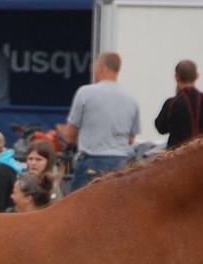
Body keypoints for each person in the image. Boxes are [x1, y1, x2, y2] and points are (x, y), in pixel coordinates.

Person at [56, 51, 140, 191]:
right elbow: (130, 140)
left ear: (101, 68)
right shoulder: (131, 99)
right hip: (121, 164)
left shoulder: (85, 92)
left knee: (80, 209)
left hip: (92, 162)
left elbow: (70, 135)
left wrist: (67, 134)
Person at [153, 59, 203, 149]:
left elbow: (160, 128)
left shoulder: (172, 104)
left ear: (176, 78)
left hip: (178, 159)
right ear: (197, 76)